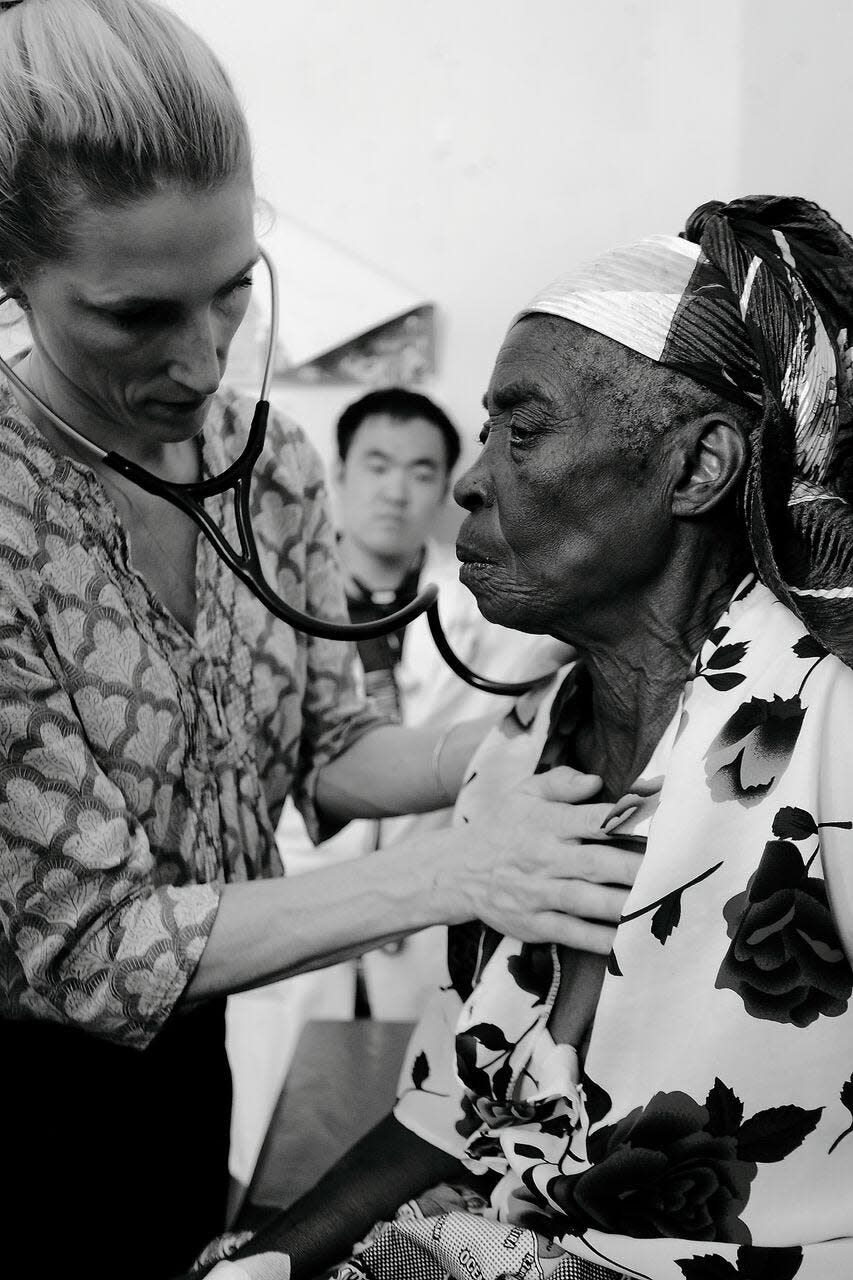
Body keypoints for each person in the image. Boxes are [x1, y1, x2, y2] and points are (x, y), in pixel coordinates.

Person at [0, 3, 640, 1277]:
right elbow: (81, 946)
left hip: (188, 1071)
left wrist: (511, 745)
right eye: (136, 315)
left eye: (233, 289)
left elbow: (332, 746)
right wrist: (457, 873)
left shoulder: (266, 459)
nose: (201, 359)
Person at [189, 196, 853, 1280]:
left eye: (523, 429)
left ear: (696, 469)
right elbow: (457, 1101)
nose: (468, 479)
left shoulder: (828, 721)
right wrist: (263, 1262)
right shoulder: (525, 742)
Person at [226, 388, 562, 1189]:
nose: (395, 489)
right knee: (257, 1170)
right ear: (338, 473)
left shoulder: (492, 612)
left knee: (408, 1170)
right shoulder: (262, 601)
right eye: (375, 465)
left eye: (420, 471)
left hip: (431, 934)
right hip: (290, 933)